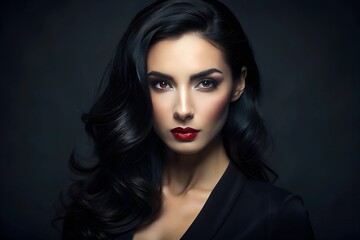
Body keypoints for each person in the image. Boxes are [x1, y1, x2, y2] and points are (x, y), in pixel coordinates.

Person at [58, 0, 314, 239]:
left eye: (205, 83)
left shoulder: (277, 218)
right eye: (162, 84)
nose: (183, 109)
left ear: (238, 84)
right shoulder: (100, 203)